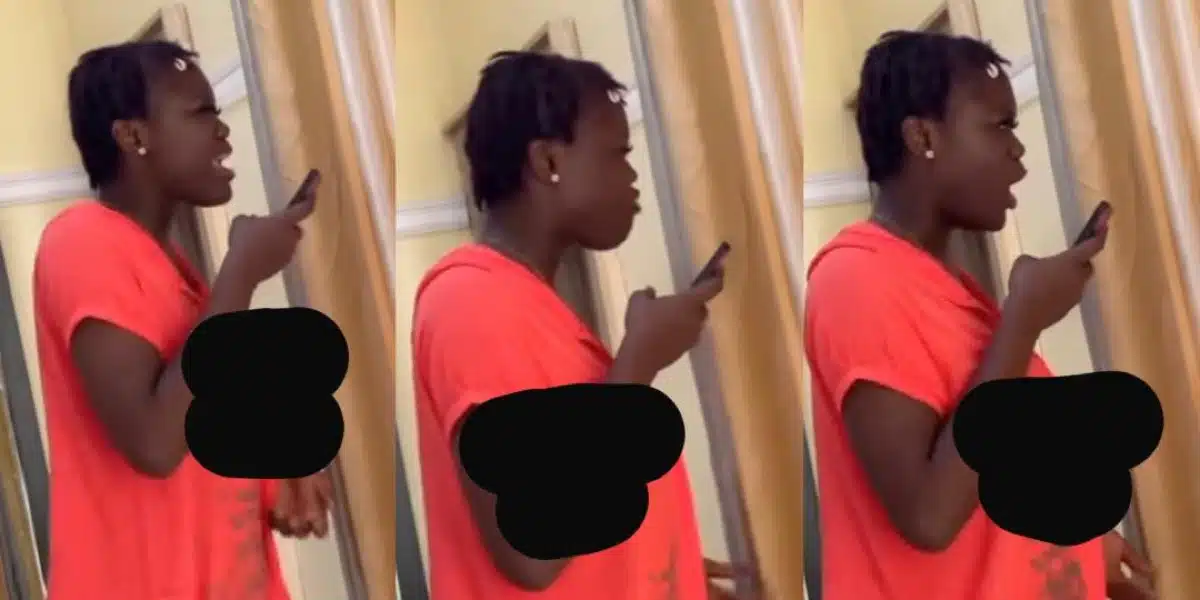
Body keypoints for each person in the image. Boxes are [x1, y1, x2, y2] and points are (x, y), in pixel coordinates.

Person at [803, 31, 1156, 600]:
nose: (1018, 152)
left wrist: (1086, 549)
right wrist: (1023, 320)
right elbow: (929, 516)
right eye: (999, 126)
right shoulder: (855, 281)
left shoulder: (950, 290)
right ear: (922, 137)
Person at [411, 50, 741, 600]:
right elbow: (531, 551)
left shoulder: (533, 306)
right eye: (617, 155)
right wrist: (639, 364)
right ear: (547, 162)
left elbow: (572, 488)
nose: (632, 177)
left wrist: (658, 560)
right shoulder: (472, 302)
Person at [34, 41, 331, 600]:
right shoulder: (81, 241)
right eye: (200, 113)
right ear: (133, 136)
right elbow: (154, 442)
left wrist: (281, 474)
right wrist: (241, 272)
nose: (222, 130)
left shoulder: (179, 273)